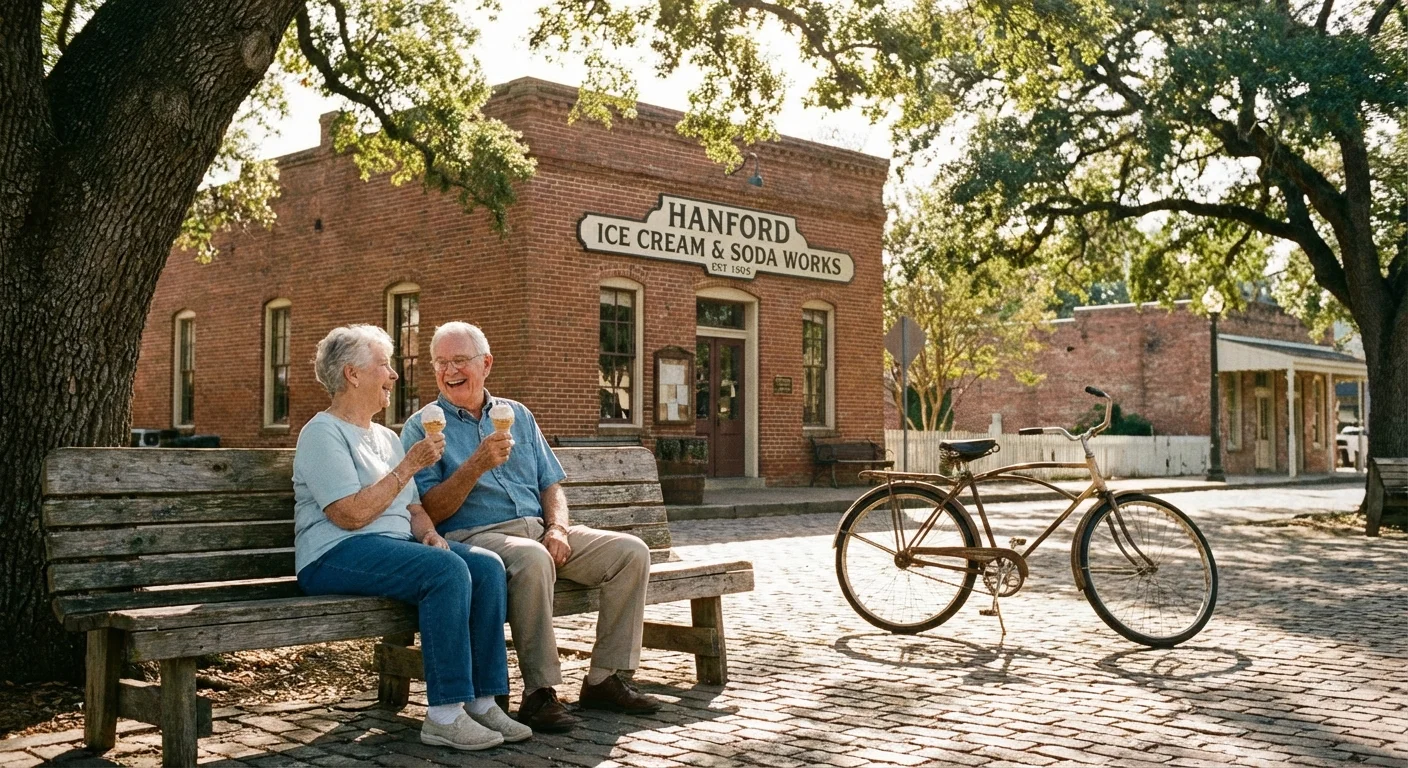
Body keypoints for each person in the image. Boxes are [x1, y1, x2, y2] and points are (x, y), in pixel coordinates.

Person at [401, 321, 661, 734]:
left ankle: (604, 679)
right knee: (533, 558)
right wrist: (476, 465)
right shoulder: (423, 426)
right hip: (475, 537)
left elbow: (550, 484)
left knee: (630, 552)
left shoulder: (517, 414)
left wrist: (557, 527)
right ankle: (540, 693)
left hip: (537, 529)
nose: (449, 370)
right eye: (440, 362)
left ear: (485, 364)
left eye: (459, 360)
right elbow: (431, 509)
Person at [293, 325, 531, 751]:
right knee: (446, 573)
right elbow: (349, 515)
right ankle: (443, 714)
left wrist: (427, 535)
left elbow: (413, 508)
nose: (394, 375)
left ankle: (482, 700)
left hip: (392, 547)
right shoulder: (322, 433)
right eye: (384, 365)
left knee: (486, 565)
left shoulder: (385, 436)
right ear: (352, 374)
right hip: (332, 553)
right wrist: (407, 467)